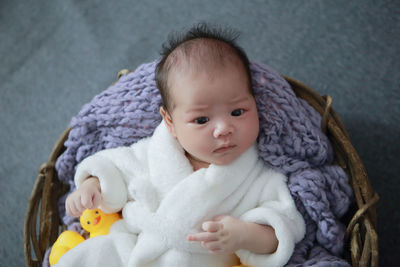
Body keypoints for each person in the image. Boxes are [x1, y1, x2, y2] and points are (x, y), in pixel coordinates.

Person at [62, 24, 305, 267]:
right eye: (201, 120)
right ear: (170, 123)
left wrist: (244, 234)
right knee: (90, 255)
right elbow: (112, 166)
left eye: (237, 111)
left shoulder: (261, 175)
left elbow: (283, 228)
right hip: (135, 251)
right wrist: (91, 185)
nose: (223, 129)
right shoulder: (155, 153)